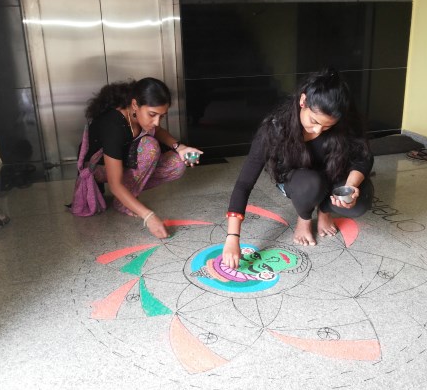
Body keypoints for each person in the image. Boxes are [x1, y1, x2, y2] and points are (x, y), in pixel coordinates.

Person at [222, 67, 374, 268]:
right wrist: (232, 237)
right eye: (314, 121)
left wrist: (352, 186)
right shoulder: (275, 128)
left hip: (332, 175)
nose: (318, 130)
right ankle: (304, 218)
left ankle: (325, 211)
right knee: (310, 183)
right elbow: (244, 184)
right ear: (303, 101)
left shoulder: (343, 122)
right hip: (299, 181)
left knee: (361, 201)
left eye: (327, 127)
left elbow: (363, 157)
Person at [84, 78, 203, 239]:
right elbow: (115, 184)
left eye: (161, 116)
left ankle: (128, 197)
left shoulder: (140, 117)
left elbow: (158, 131)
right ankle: (123, 201)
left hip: (125, 161)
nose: (156, 122)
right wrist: (148, 216)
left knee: (177, 164)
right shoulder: (114, 125)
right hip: (96, 168)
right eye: (152, 115)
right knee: (150, 147)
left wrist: (180, 147)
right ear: (134, 105)